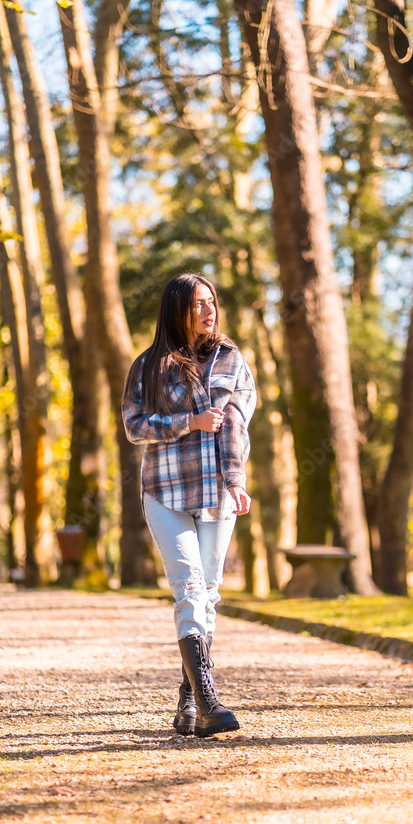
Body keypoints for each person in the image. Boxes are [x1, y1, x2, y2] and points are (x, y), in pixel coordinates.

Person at [122, 273, 256, 737]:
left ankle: (188, 701)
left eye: (211, 301)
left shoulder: (232, 360)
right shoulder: (148, 366)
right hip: (165, 490)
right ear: (177, 310)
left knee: (210, 592)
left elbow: (238, 423)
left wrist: (236, 479)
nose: (208, 310)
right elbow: (134, 426)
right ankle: (210, 701)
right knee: (189, 588)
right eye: (198, 303)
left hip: (218, 491)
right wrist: (189, 422)